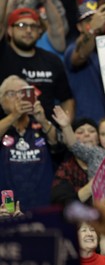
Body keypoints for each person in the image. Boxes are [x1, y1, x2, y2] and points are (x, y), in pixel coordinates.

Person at [0, 7, 75, 120]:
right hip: (7, 133)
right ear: (10, 30)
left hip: (46, 132)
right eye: (22, 26)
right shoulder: (2, 57)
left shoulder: (52, 60)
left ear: (40, 31)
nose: (28, 30)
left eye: (33, 26)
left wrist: (64, 129)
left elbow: (67, 99)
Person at [0, 75, 58, 210]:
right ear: (2, 101)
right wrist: (14, 115)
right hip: (7, 207)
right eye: (11, 93)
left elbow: (57, 144)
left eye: (23, 92)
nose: (19, 97)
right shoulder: (3, 127)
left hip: (43, 205)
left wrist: (43, 120)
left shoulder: (41, 124)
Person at [51, 118, 98, 206]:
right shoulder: (66, 169)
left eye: (92, 131)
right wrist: (89, 188)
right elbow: (61, 203)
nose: (87, 134)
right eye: (80, 132)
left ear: (99, 139)